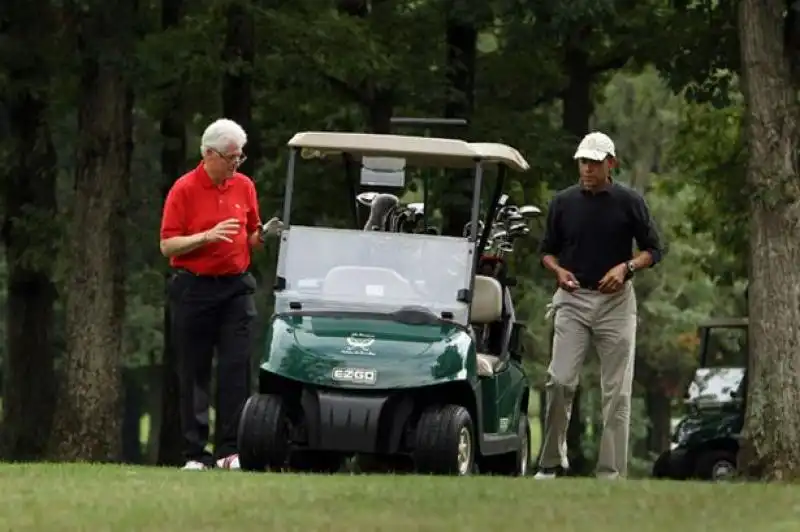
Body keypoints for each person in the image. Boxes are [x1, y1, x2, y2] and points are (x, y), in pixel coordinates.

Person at [534, 131, 665, 480]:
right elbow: (546, 250)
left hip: (616, 304)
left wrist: (627, 268)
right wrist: (558, 270)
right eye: (583, 161)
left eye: (594, 162)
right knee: (559, 381)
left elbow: (654, 249)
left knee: (617, 393)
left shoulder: (629, 201)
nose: (587, 168)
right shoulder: (563, 202)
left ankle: (610, 474)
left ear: (611, 164)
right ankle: (549, 462)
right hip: (573, 299)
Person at [159, 118, 283, 471]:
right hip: (193, 288)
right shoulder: (184, 189)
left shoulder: (244, 186)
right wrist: (206, 236)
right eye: (231, 157)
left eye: (239, 158)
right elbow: (168, 244)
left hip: (235, 288)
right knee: (194, 370)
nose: (236, 164)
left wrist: (264, 236)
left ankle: (231, 450)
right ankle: (196, 454)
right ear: (209, 154)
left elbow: (248, 237)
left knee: (236, 368)